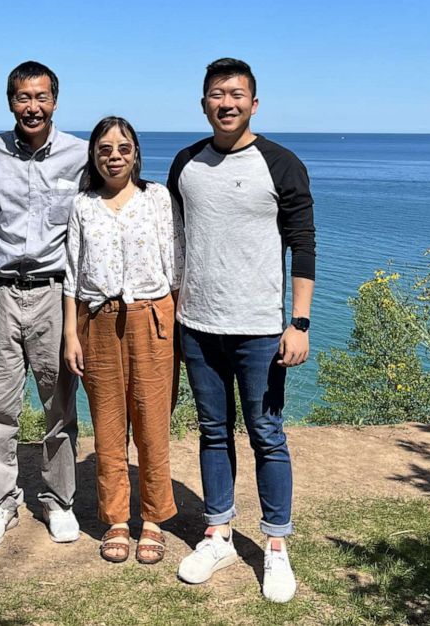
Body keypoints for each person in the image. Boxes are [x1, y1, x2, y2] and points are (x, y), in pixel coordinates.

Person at [168, 58, 316, 603]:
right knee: (212, 431)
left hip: (259, 330)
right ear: (203, 102)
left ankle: (276, 547)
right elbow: (177, 241)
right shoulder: (185, 163)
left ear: (254, 103)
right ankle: (219, 533)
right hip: (199, 326)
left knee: (267, 436)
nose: (226, 102)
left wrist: (298, 323)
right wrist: (176, 310)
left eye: (236, 94)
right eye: (216, 94)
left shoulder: (281, 163)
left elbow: (304, 244)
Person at [0, 61, 87, 548]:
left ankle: (59, 502)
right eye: (22, 98)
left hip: (56, 293)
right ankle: (0, 502)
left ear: (55, 100)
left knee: (59, 403)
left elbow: (107, 208)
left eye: (41, 97)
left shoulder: (79, 154)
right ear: (10, 101)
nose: (32, 107)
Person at [63, 116, 184, 564]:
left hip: (152, 318)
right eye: (105, 149)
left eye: (123, 148)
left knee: (153, 423)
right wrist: (70, 335)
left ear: (136, 154)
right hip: (97, 321)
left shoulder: (157, 198)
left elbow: (178, 265)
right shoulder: (82, 205)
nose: (114, 156)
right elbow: (71, 277)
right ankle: (116, 518)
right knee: (109, 425)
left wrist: (174, 328)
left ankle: (153, 518)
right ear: (94, 157)